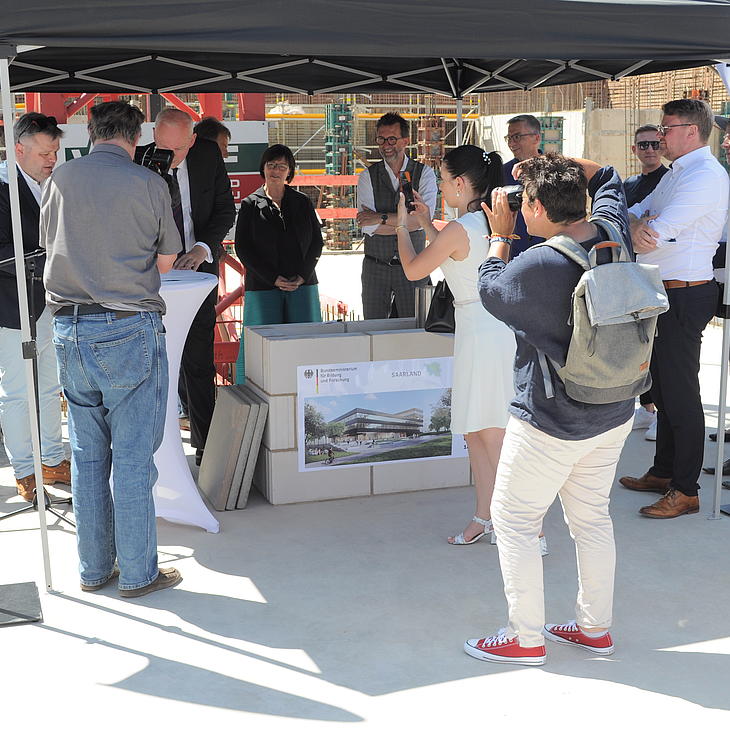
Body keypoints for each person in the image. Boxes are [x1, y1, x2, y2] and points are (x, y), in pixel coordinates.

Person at [466, 153, 634, 665]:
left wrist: (498, 233)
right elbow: (607, 175)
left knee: (513, 520)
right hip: (615, 407)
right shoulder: (611, 232)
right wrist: (554, 162)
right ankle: (594, 628)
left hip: (552, 420)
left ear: (535, 207)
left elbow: (490, 288)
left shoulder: (538, 263)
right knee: (592, 520)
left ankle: (525, 637)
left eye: (523, 204)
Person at [42, 100, 183, 596]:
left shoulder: (60, 179)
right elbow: (166, 261)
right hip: (126, 325)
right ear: (137, 135)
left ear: (91, 131)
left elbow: (47, 241)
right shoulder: (148, 183)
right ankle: (139, 572)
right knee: (131, 458)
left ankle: (93, 568)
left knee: (86, 455)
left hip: (68, 328)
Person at [395, 145, 520, 548]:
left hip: (483, 332)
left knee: (490, 433)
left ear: (461, 183)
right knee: (477, 431)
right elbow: (458, 258)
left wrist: (402, 227)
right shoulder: (482, 220)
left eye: (446, 180)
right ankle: (486, 516)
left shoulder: (460, 225)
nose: (442, 188)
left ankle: (519, 525)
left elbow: (416, 269)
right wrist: (426, 226)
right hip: (483, 329)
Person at [619, 99, 729, 519]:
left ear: (691, 130)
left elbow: (653, 233)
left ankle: (686, 489)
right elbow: (631, 216)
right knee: (661, 389)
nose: (660, 136)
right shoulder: (680, 172)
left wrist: (640, 224)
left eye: (665, 129)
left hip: (684, 294)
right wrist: (638, 223)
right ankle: (665, 472)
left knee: (681, 395)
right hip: (662, 292)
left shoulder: (704, 176)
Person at [145, 108, 236, 466]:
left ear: (193, 140)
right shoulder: (141, 158)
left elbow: (225, 210)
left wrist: (201, 249)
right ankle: (155, 446)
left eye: (177, 149)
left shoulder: (208, 155)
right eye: (162, 146)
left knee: (198, 357)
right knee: (155, 361)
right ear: (153, 134)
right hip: (152, 276)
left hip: (197, 271)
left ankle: (205, 443)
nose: (169, 156)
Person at [0, 113, 71, 501]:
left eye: (55, 152)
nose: (52, 160)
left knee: (49, 386)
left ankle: (52, 459)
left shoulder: (53, 185)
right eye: (45, 153)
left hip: (51, 304)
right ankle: (25, 469)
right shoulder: (1, 187)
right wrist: (50, 257)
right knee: (15, 392)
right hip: (12, 308)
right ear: (20, 149)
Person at [234, 144, 324, 362]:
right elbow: (243, 248)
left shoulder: (302, 202)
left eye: (281, 166)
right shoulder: (249, 205)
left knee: (307, 347)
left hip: (302, 286)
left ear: (289, 171)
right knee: (261, 352)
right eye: (271, 165)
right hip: (263, 288)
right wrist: (273, 279)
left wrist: (302, 276)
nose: (275, 170)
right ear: (263, 168)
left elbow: (316, 243)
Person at [357, 112, 437, 319]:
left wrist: (380, 218)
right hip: (375, 266)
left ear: (405, 141)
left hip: (415, 265)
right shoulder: (367, 176)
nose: (386, 145)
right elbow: (368, 226)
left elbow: (422, 221)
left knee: (416, 326)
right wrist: (405, 221)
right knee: (373, 329)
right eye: (381, 139)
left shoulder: (425, 174)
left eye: (392, 139)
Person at [624, 124, 669, 441]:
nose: (649, 149)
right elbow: (622, 220)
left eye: (655, 143)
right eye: (643, 145)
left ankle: (661, 414)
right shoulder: (628, 185)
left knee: (661, 349)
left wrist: (636, 222)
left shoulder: (671, 181)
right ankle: (647, 408)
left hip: (662, 276)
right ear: (634, 150)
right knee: (638, 345)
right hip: (631, 274)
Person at [502, 115, 545, 257]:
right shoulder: (503, 173)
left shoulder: (555, 171)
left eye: (517, 137)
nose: (511, 144)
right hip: (514, 255)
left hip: (548, 253)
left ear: (536, 138)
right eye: (509, 138)